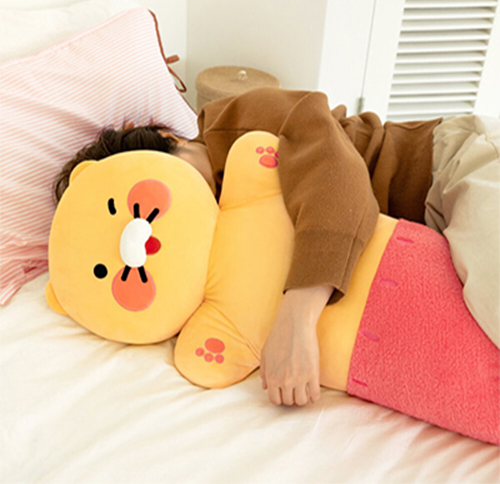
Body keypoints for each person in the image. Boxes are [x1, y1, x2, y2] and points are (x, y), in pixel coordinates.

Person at [54, 87, 500, 407]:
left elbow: (337, 175)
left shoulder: (236, 121)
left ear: (172, 142)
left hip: (448, 166)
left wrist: (297, 316)